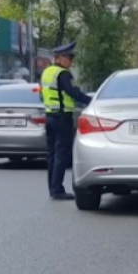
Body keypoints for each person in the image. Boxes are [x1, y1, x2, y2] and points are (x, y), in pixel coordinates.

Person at [39, 42, 92, 200]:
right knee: (62, 154)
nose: (71, 61)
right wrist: (91, 101)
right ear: (61, 58)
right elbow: (72, 92)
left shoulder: (47, 72)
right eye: (69, 57)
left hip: (49, 116)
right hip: (62, 117)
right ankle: (57, 189)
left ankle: (53, 188)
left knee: (53, 154)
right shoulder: (63, 74)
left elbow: (42, 95)